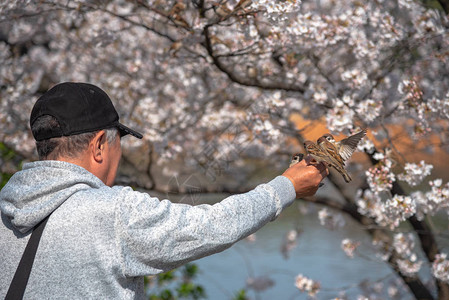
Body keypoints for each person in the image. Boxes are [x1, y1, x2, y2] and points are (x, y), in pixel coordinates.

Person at [0, 82, 328, 299]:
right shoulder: (111, 213)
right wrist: (286, 187)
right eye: (118, 144)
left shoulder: (4, 209)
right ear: (100, 145)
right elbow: (212, 226)